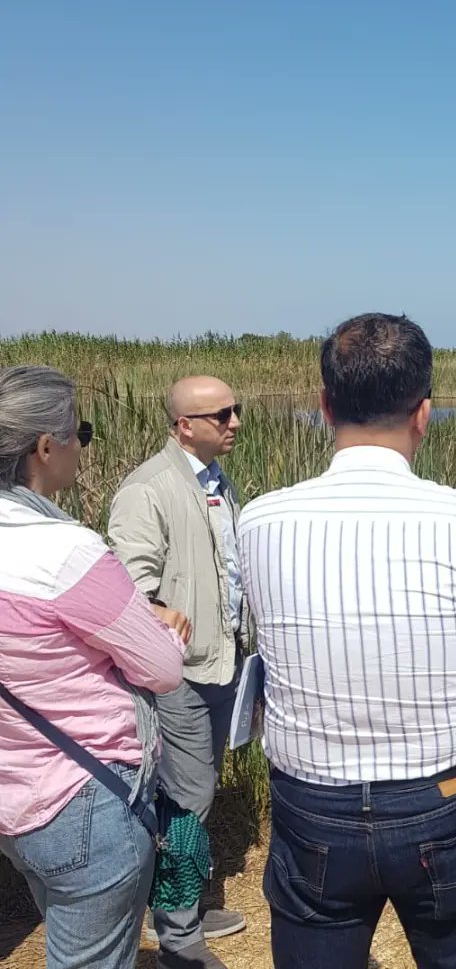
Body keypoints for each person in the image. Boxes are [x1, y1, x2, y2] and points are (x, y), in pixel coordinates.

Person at [238, 313, 456, 969]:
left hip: (314, 801)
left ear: (325, 406)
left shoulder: (260, 519)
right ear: (424, 414)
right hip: (447, 795)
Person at [0, 365, 187, 969]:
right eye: (79, 433)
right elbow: (162, 668)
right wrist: (163, 627)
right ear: (45, 447)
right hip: (85, 798)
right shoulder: (64, 551)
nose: (83, 446)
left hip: (16, 798)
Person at [108, 376, 249, 969]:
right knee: (186, 802)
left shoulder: (216, 480)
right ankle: (179, 938)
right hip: (179, 675)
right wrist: (160, 611)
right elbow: (126, 585)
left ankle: (182, 904)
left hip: (220, 664)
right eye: (222, 414)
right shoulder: (148, 489)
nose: (235, 422)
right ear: (184, 426)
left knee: (195, 794)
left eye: (236, 410)